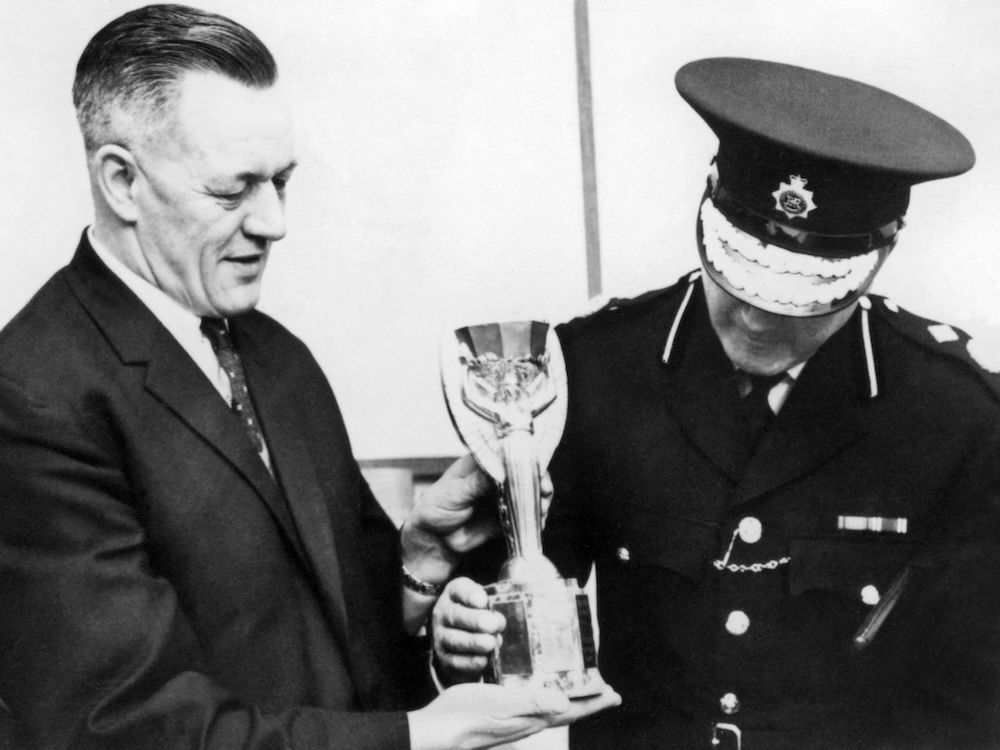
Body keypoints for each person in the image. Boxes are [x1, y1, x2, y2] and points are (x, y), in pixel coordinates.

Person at [0, 5, 619, 749]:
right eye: (234, 190)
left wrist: (421, 565)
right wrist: (421, 739)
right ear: (122, 181)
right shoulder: (32, 395)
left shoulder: (275, 355)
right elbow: (127, 727)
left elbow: (330, 643)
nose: (273, 223)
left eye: (282, 182)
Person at [431, 57, 1000, 748]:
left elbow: (972, 698)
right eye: (738, 276)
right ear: (706, 200)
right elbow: (512, 607)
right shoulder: (591, 368)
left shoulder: (956, 413)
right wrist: (463, 635)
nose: (757, 320)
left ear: (882, 253)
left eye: (802, 296)